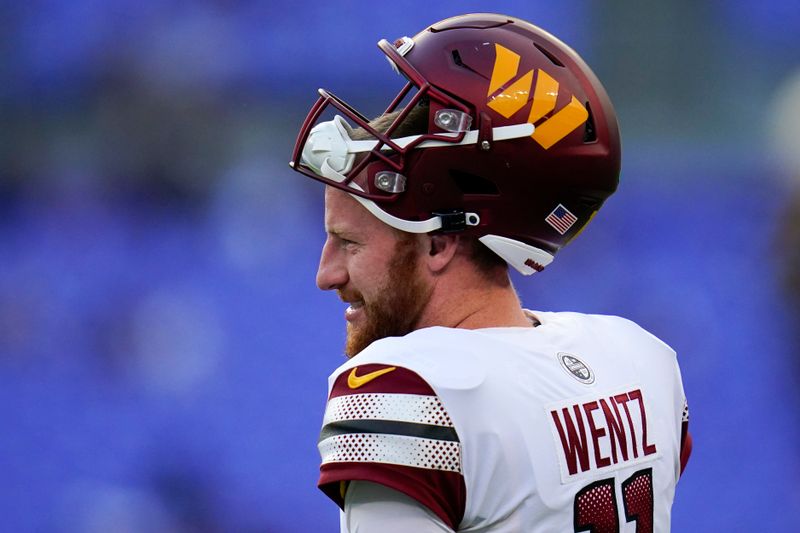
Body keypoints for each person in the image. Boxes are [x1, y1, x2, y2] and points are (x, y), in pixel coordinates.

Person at [290, 13, 691, 532]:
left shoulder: (410, 389)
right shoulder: (641, 360)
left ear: (438, 242)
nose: (325, 274)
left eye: (348, 243)